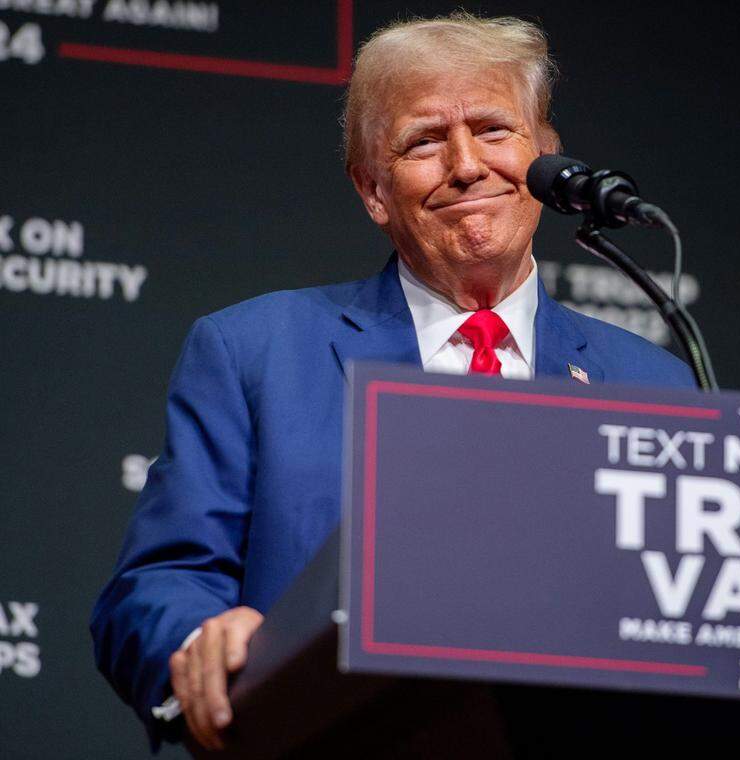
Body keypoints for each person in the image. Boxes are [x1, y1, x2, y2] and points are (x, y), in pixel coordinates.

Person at [90, 11, 694, 752]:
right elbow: (151, 587)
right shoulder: (256, 353)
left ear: (548, 162)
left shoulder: (654, 387)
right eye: (425, 142)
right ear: (373, 189)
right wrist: (199, 645)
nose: (467, 165)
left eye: (495, 130)